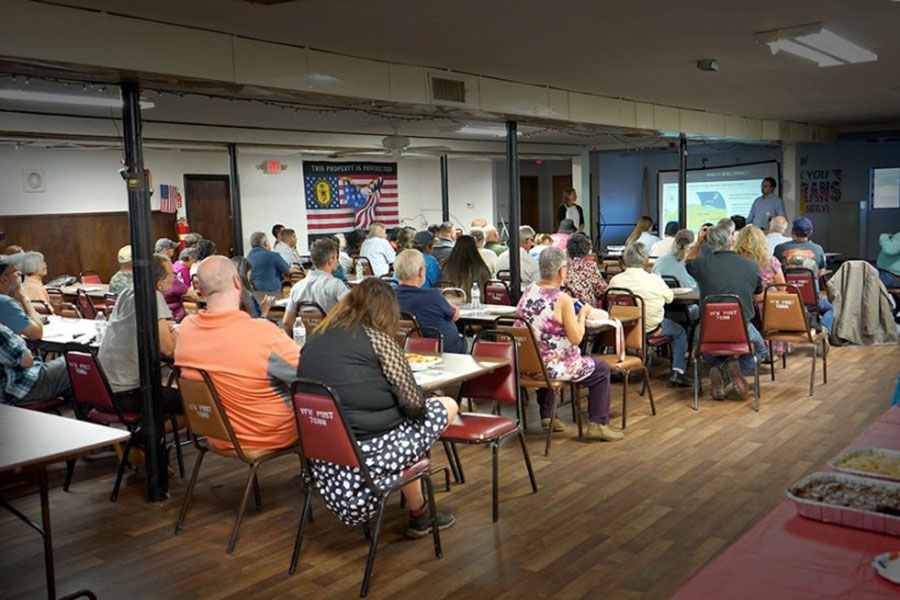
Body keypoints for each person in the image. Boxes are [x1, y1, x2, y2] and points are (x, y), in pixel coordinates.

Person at [297, 278, 458, 536]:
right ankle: (419, 513)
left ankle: (420, 513)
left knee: (407, 433)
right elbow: (415, 405)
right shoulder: (379, 340)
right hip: (370, 460)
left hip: (326, 460)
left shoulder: (317, 338)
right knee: (445, 406)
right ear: (386, 311)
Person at [175, 256, 300, 453]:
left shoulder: (186, 330)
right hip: (269, 434)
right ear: (237, 281)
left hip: (216, 433)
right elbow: (307, 374)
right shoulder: (263, 334)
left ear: (200, 289)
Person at [517, 247, 623, 441]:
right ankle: (598, 425)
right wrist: (581, 315)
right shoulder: (562, 300)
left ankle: (548, 415)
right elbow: (576, 338)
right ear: (561, 272)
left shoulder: (529, 290)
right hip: (552, 368)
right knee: (601, 370)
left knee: (546, 353)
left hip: (527, 365)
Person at [686, 224, 767, 399]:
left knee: (703, 351)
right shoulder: (751, 266)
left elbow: (689, 260)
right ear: (732, 240)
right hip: (741, 327)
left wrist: (699, 242)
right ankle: (729, 372)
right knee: (761, 352)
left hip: (709, 328)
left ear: (709, 243)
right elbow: (758, 295)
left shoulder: (701, 264)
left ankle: (722, 369)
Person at [97, 253, 182, 413]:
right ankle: (143, 437)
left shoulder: (127, 293)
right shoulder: (153, 296)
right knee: (192, 403)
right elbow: (168, 349)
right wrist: (175, 337)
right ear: (159, 282)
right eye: (172, 274)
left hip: (103, 388)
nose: (174, 278)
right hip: (128, 393)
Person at [609, 243, 691, 386]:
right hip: (651, 329)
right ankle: (678, 372)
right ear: (646, 260)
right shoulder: (655, 280)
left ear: (625, 259)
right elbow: (669, 299)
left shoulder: (615, 280)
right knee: (680, 332)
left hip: (625, 329)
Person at [394, 250, 466, 353]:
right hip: (447, 351)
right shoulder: (433, 297)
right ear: (421, 271)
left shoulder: (388, 297)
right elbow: (453, 314)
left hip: (404, 350)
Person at [773, 217, 835, 333]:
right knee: (829, 309)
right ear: (810, 233)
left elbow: (776, 271)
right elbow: (820, 272)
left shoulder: (779, 249)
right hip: (812, 299)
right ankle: (824, 330)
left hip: (788, 298)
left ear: (792, 232)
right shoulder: (818, 249)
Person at [735, 225, 787, 356]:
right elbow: (783, 287)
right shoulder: (771, 261)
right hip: (768, 308)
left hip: (743, 305)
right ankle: (772, 350)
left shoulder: (736, 261)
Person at [283, 239, 350, 330]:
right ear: (330, 261)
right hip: (331, 336)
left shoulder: (297, 287)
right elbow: (351, 312)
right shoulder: (336, 285)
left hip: (307, 339)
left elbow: (287, 321)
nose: (337, 261)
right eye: (335, 257)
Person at [0, 322, 71, 406]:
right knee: (73, 363)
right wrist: (18, 339)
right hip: (17, 391)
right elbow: (27, 361)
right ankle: (84, 415)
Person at [0, 256, 43, 340]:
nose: (20, 274)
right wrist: (25, 299)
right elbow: (36, 333)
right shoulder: (5, 303)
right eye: (17, 272)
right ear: (4, 280)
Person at [441, 235, 492, 303]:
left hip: (453, 303)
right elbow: (488, 286)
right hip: (477, 303)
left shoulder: (447, 266)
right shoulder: (480, 267)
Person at [562, 232, 607, 308]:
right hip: (587, 309)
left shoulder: (563, 268)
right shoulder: (590, 266)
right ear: (587, 250)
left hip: (567, 309)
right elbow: (601, 290)